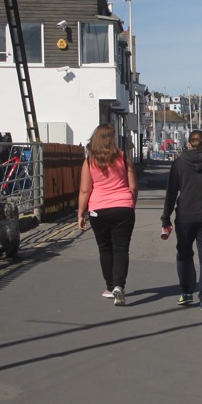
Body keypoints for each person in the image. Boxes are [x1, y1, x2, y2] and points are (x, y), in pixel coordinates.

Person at [161, 129, 202, 310]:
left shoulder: (179, 163)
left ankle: (187, 292)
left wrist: (165, 218)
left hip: (185, 216)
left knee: (184, 254)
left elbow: (171, 192)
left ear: (189, 143)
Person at [77, 123, 139, 306]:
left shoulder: (89, 161)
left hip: (98, 209)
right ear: (112, 139)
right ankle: (119, 285)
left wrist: (81, 213)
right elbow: (133, 186)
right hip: (123, 207)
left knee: (105, 249)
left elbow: (84, 189)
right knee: (121, 248)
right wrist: (130, 204)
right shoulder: (124, 158)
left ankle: (110, 287)